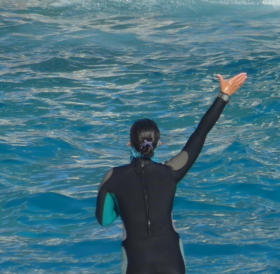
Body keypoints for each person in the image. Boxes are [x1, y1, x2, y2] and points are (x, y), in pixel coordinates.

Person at [96, 73, 248, 274]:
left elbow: (104, 220)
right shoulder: (171, 172)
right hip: (172, 258)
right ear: (159, 143)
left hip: (136, 259)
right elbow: (200, 134)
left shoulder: (113, 177)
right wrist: (224, 95)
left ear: (129, 143)